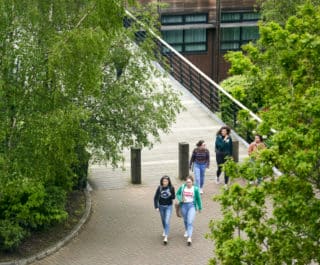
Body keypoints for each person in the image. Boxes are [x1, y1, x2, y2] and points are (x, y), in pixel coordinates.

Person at [176, 176, 202, 246]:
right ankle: (187, 230)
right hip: (184, 205)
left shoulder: (195, 189)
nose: (188, 184)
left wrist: (200, 207)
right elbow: (177, 194)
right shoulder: (183, 187)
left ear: (192, 182)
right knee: (185, 220)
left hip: (192, 206)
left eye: (190, 182)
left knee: (190, 221)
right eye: (187, 182)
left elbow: (198, 199)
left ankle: (189, 237)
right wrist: (181, 198)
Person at [153, 175, 175, 244]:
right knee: (163, 220)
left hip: (169, 206)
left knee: (167, 220)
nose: (165, 182)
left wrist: (170, 194)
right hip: (161, 206)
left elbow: (174, 197)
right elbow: (155, 198)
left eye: (166, 181)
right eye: (164, 181)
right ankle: (165, 229)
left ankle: (166, 236)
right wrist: (156, 206)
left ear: (169, 182)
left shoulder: (171, 188)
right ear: (162, 182)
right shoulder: (159, 188)